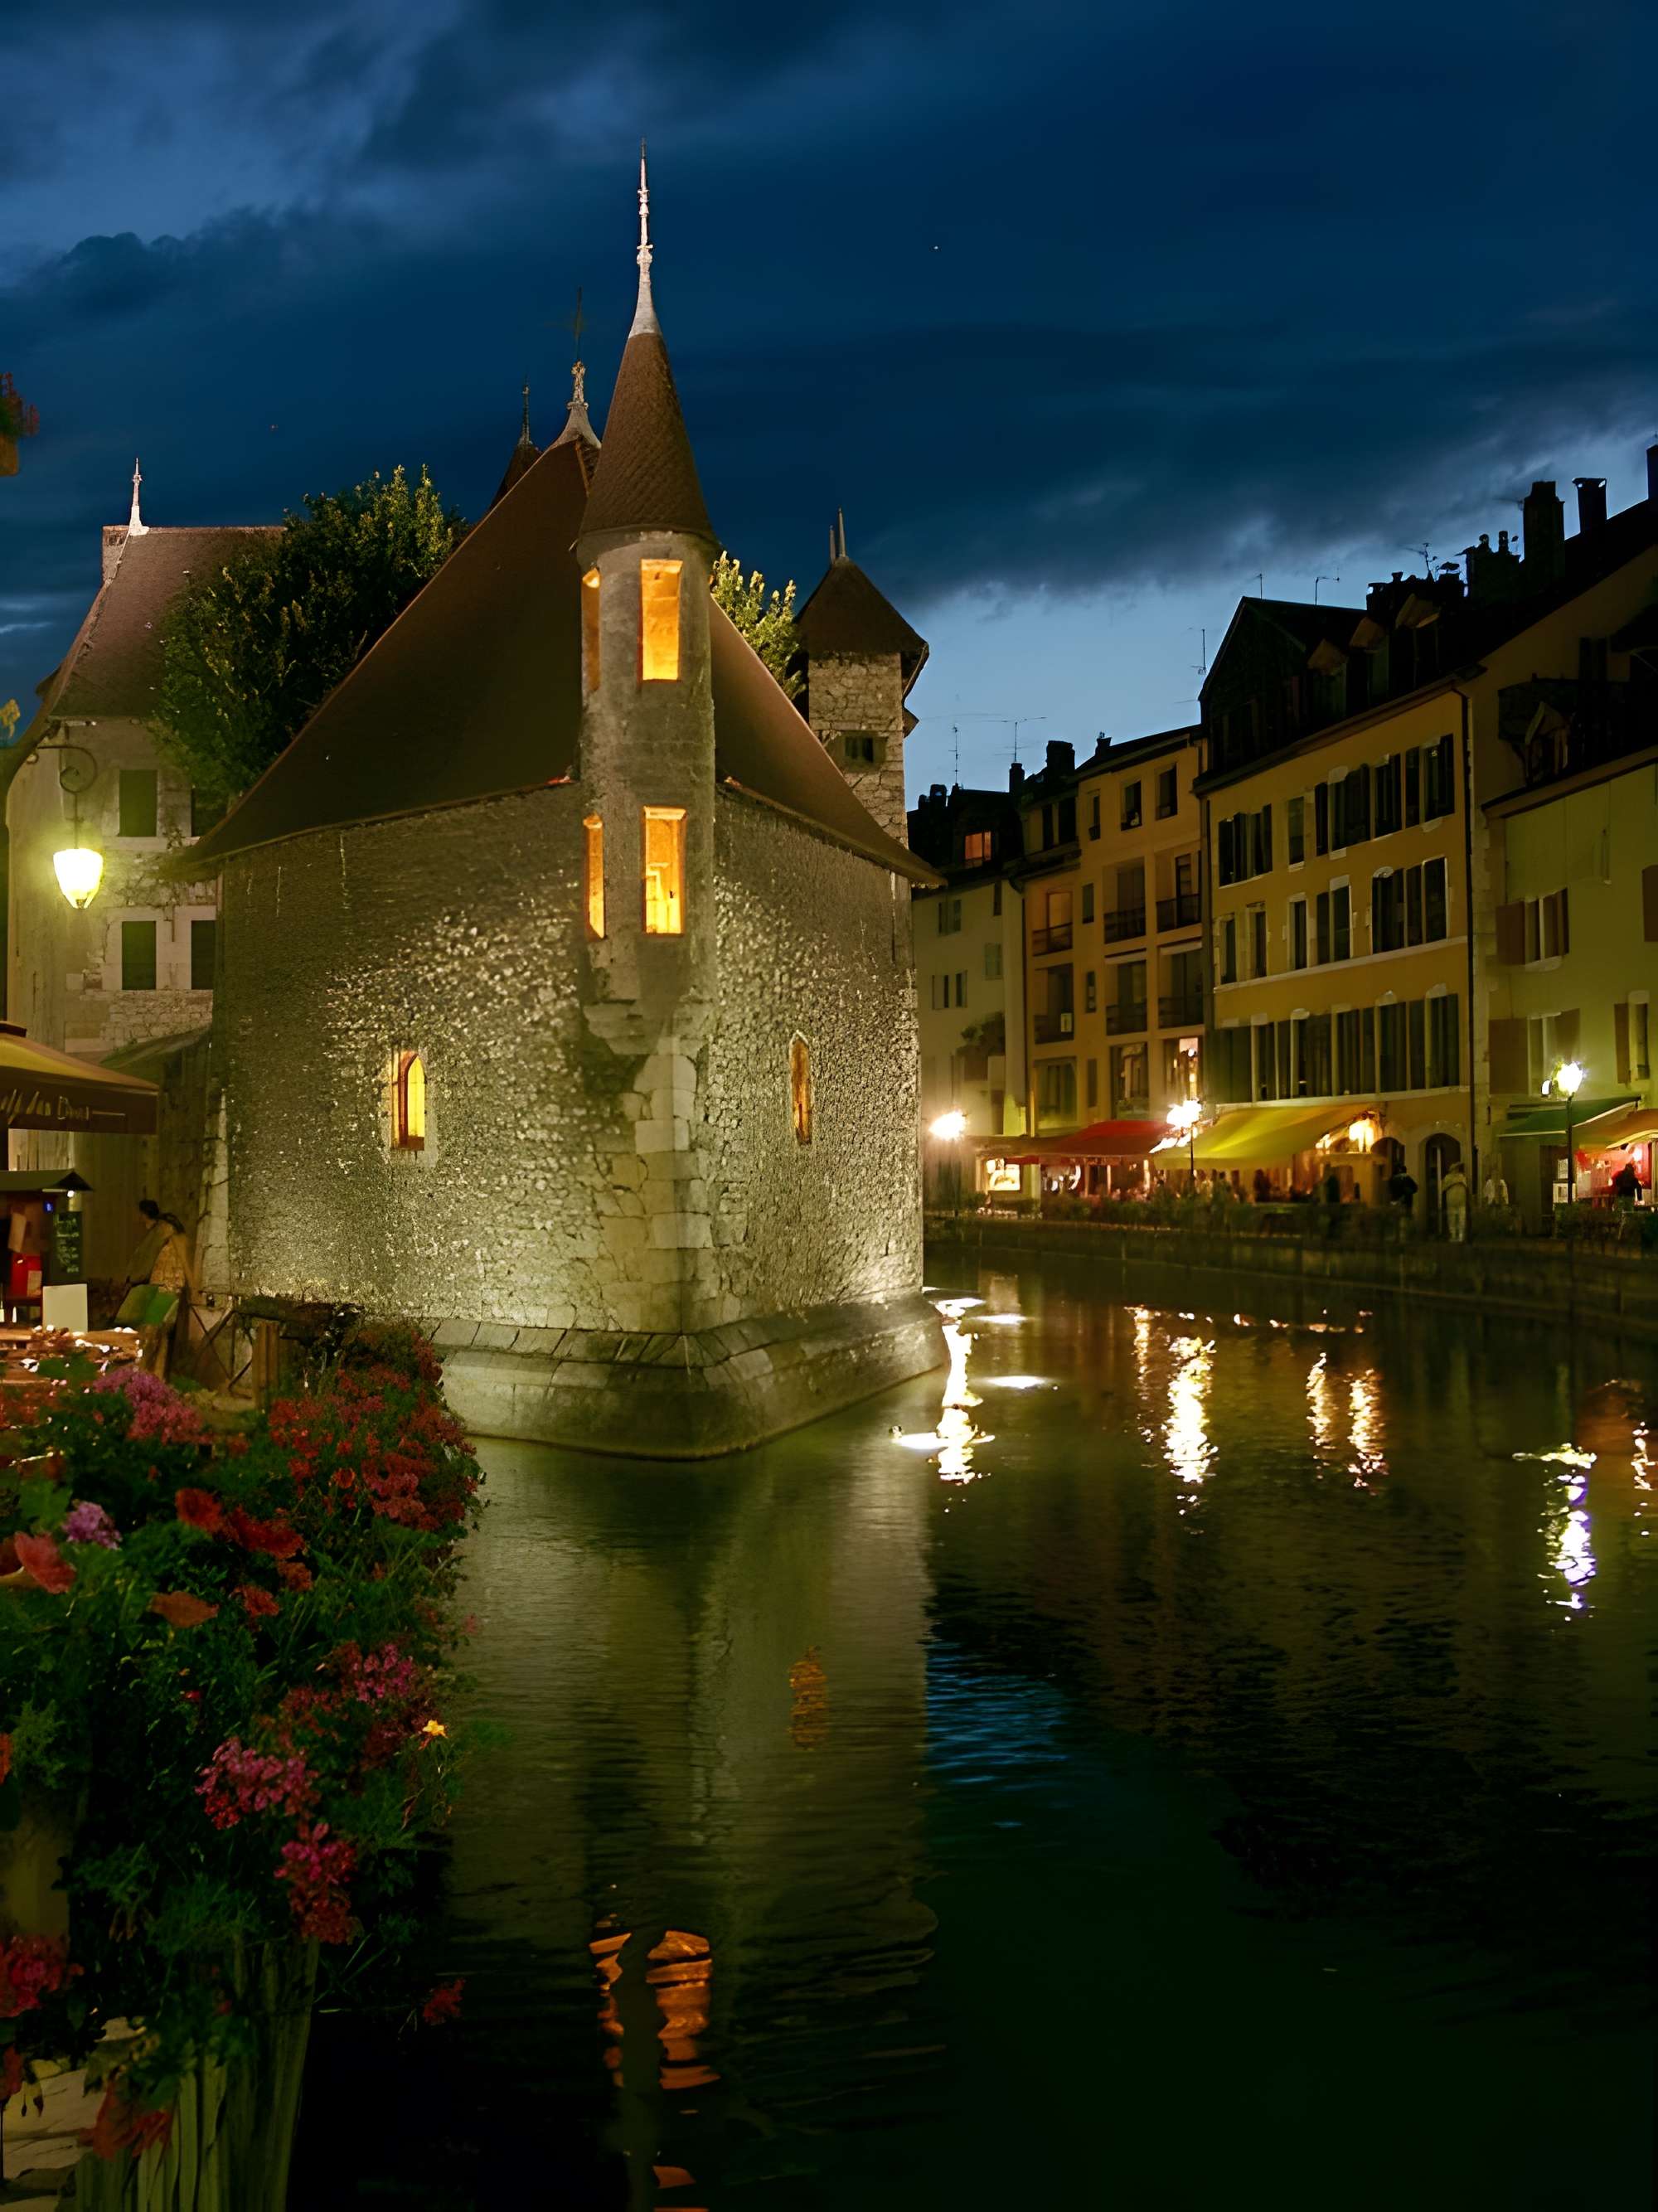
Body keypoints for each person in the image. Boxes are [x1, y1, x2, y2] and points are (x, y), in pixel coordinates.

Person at [141, 1213, 200, 1378]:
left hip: (166, 1293)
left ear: (171, 1227)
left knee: (151, 1333)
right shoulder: (172, 1241)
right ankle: (156, 1375)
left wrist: (194, 1289)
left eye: (163, 1226)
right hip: (166, 1292)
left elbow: (187, 1265)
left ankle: (147, 1373)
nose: (160, 1230)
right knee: (161, 1335)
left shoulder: (177, 1240)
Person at [126, 1198, 167, 1293]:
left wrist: (133, 1280)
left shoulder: (156, 1234)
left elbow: (149, 1262)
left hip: (145, 1285)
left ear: (143, 1215)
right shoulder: (150, 1232)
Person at [1440, 1162, 1470, 1242]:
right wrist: (1454, 1181)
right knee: (1452, 1219)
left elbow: (1465, 1186)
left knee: (1461, 1219)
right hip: (1451, 1201)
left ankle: (1460, 1235)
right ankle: (1453, 1235)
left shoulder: (1462, 1177)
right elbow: (1443, 1187)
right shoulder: (1447, 1178)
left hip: (1461, 1201)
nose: (1456, 1170)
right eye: (1455, 1168)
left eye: (1457, 1168)